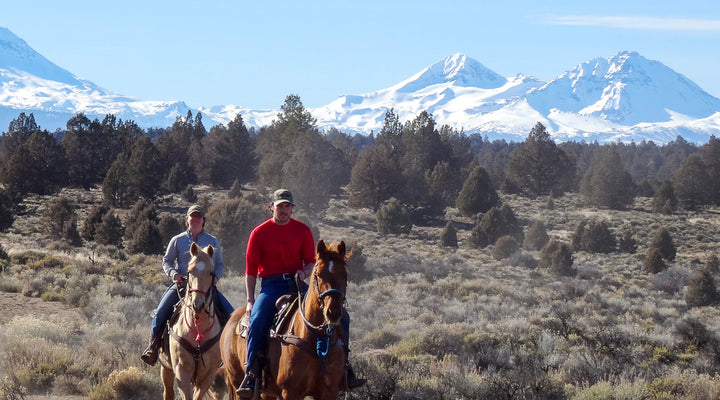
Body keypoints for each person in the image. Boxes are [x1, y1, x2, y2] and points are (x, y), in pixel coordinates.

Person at [237, 189, 365, 396]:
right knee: (258, 319)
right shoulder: (259, 233)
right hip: (271, 286)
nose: (284, 210)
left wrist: (304, 272)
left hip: (298, 283)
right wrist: (250, 300)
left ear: (292, 209)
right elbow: (250, 271)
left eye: (287, 206)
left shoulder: (303, 231)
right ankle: (252, 373)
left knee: (344, 318)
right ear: (272, 207)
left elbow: (311, 263)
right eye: (280, 206)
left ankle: (345, 370)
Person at [141, 204, 234, 366]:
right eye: (192, 216)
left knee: (231, 315)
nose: (195, 219)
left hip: (206, 288)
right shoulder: (177, 240)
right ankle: (153, 346)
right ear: (187, 220)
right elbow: (167, 261)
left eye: (198, 217)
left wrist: (216, 277)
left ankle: (229, 352)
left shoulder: (212, 242)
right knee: (161, 312)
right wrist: (174, 274)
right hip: (182, 285)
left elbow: (219, 264)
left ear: (203, 221)